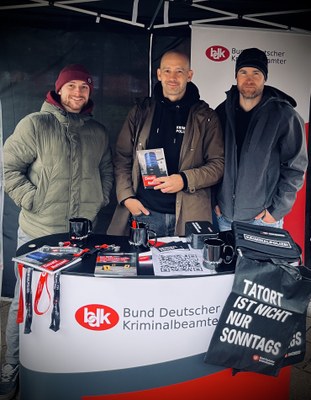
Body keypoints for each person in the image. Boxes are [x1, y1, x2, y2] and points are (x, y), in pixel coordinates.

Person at [1, 64, 114, 400]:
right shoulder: (36, 124)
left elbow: (106, 169)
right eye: (72, 86)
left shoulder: (97, 131)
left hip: (81, 234)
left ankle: (57, 364)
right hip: (39, 231)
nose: (78, 93)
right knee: (26, 299)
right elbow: (8, 169)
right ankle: (11, 367)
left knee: (72, 299)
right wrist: (31, 199)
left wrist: (101, 197)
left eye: (84, 87)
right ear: (59, 89)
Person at [107, 50, 224, 237]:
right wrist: (126, 197)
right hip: (145, 213)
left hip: (190, 216)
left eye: (179, 71)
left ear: (189, 75)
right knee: (144, 265)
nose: (173, 77)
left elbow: (218, 165)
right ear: (159, 74)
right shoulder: (140, 112)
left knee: (187, 266)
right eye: (167, 71)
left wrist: (184, 180)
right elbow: (122, 158)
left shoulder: (206, 117)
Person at [214, 47, 308, 231]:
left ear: (265, 77)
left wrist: (276, 210)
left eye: (256, 73)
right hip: (224, 218)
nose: (249, 79)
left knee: (262, 262)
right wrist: (214, 202)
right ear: (236, 77)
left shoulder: (284, 116)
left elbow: (295, 168)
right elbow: (212, 161)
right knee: (228, 261)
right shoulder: (222, 112)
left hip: (261, 221)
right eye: (243, 72)